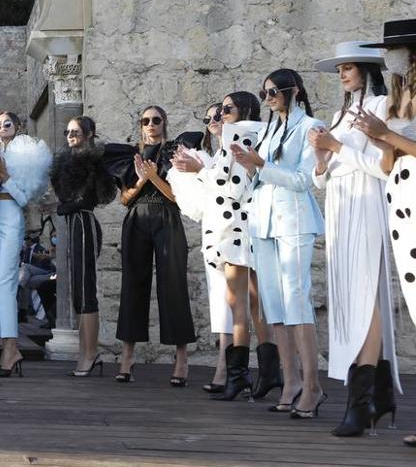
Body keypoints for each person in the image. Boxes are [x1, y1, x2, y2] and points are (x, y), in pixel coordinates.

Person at [306, 42, 399, 436]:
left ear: (365, 69)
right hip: (340, 209)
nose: (343, 75)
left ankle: (359, 404)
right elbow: (322, 177)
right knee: (347, 296)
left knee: (365, 294)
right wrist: (322, 158)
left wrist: (336, 148)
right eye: (340, 69)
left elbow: (384, 167)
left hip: (366, 205)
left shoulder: (380, 107)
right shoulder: (338, 114)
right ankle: (380, 395)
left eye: (348, 68)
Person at [232, 69, 326, 418]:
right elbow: (266, 174)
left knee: (296, 300)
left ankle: (313, 385)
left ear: (294, 91)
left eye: (274, 91)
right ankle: (291, 382)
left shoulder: (311, 126)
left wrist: (261, 164)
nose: (268, 97)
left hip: (295, 220)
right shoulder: (270, 128)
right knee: (273, 304)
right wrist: (251, 165)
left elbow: (303, 180)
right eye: (264, 92)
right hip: (264, 221)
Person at [169, 94, 271, 401]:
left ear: (244, 111)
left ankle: (246, 374)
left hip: (238, 230)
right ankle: (262, 373)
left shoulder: (243, 137)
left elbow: (235, 188)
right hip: (232, 231)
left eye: (227, 109)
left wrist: (199, 171)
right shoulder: (234, 139)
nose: (220, 115)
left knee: (242, 303)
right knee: (248, 304)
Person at [351, 19, 416, 447]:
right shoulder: (397, 96)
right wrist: (378, 141)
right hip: (400, 205)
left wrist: (386, 134)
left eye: (396, 48)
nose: (389, 56)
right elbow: (390, 163)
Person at [111, 105, 196, 385]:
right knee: (133, 284)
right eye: (146, 120)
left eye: (156, 120)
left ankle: (181, 358)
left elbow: (175, 197)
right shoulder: (129, 155)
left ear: (164, 122)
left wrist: (152, 177)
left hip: (167, 217)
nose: (151, 124)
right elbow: (125, 199)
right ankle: (127, 356)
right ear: (140, 124)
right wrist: (140, 182)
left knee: (174, 285)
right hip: (136, 219)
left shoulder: (174, 152)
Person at [0, 112, 51, 378]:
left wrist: (6, 177)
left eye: (6, 124)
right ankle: (6, 348)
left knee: (4, 284)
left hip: (11, 219)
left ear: (17, 126)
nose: (1, 128)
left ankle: (11, 348)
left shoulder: (28, 153)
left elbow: (23, 199)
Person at [49, 116, 116, 377]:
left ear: (89, 134)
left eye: (76, 131)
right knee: (77, 289)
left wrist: (63, 206)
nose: (70, 135)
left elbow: (83, 199)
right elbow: (66, 198)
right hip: (73, 226)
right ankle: (85, 351)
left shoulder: (93, 162)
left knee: (86, 290)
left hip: (85, 225)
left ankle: (89, 353)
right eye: (67, 131)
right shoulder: (65, 162)